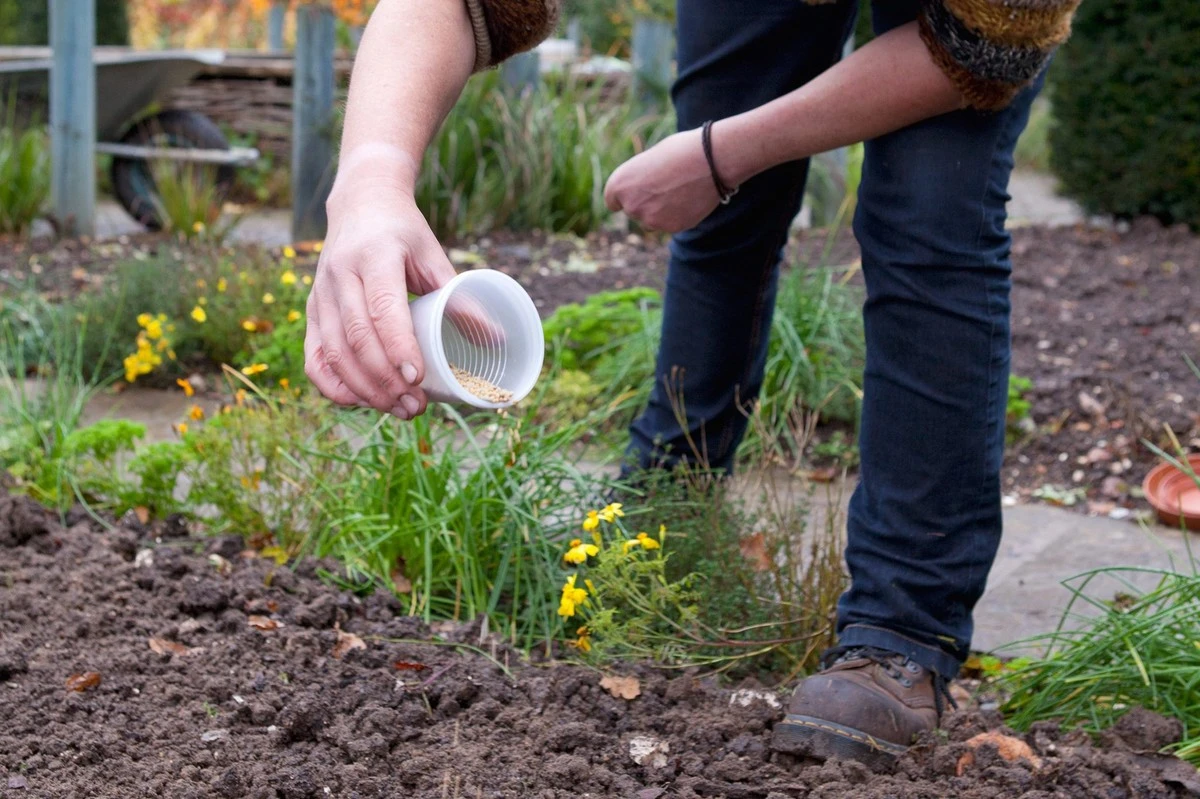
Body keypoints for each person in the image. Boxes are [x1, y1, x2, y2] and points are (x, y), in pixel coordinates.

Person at [304, 0, 1080, 766]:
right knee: (720, 218)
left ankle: (901, 632)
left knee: (930, 212)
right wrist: (370, 184)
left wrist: (721, 154)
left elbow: (982, 47)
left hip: (972, 24)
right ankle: (658, 525)